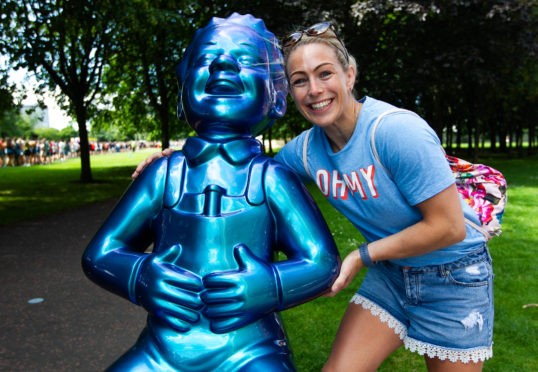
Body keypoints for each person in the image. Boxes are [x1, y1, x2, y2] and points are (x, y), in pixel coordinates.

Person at [135, 20, 494, 372]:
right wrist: (184, 158)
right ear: (289, 94)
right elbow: (242, 168)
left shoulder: (395, 131)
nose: (315, 90)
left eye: (325, 74)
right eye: (300, 81)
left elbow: (449, 227)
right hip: (393, 275)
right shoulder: (304, 152)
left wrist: (358, 257)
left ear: (349, 75)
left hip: (455, 276)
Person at [83, 13, 339, 371]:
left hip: (251, 350)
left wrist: (272, 285)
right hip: (161, 351)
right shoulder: (164, 176)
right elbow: (100, 253)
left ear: (277, 99)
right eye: (205, 59)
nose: (222, 64)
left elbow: (322, 261)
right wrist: (139, 276)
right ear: (181, 94)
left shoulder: (272, 179)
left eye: (247, 60)